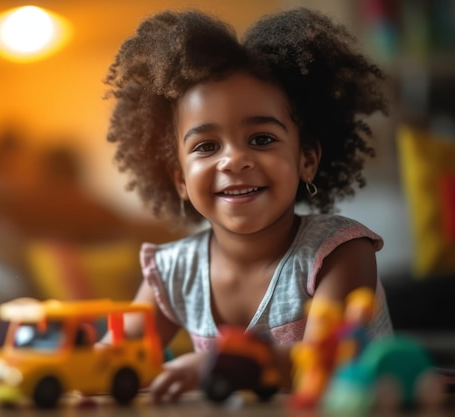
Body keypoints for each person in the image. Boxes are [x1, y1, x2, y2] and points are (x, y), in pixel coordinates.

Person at [102, 7, 393, 403]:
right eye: (206, 146)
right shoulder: (173, 273)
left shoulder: (340, 252)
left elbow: (328, 361)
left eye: (261, 139)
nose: (233, 160)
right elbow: (114, 358)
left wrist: (224, 366)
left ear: (307, 159)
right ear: (181, 180)